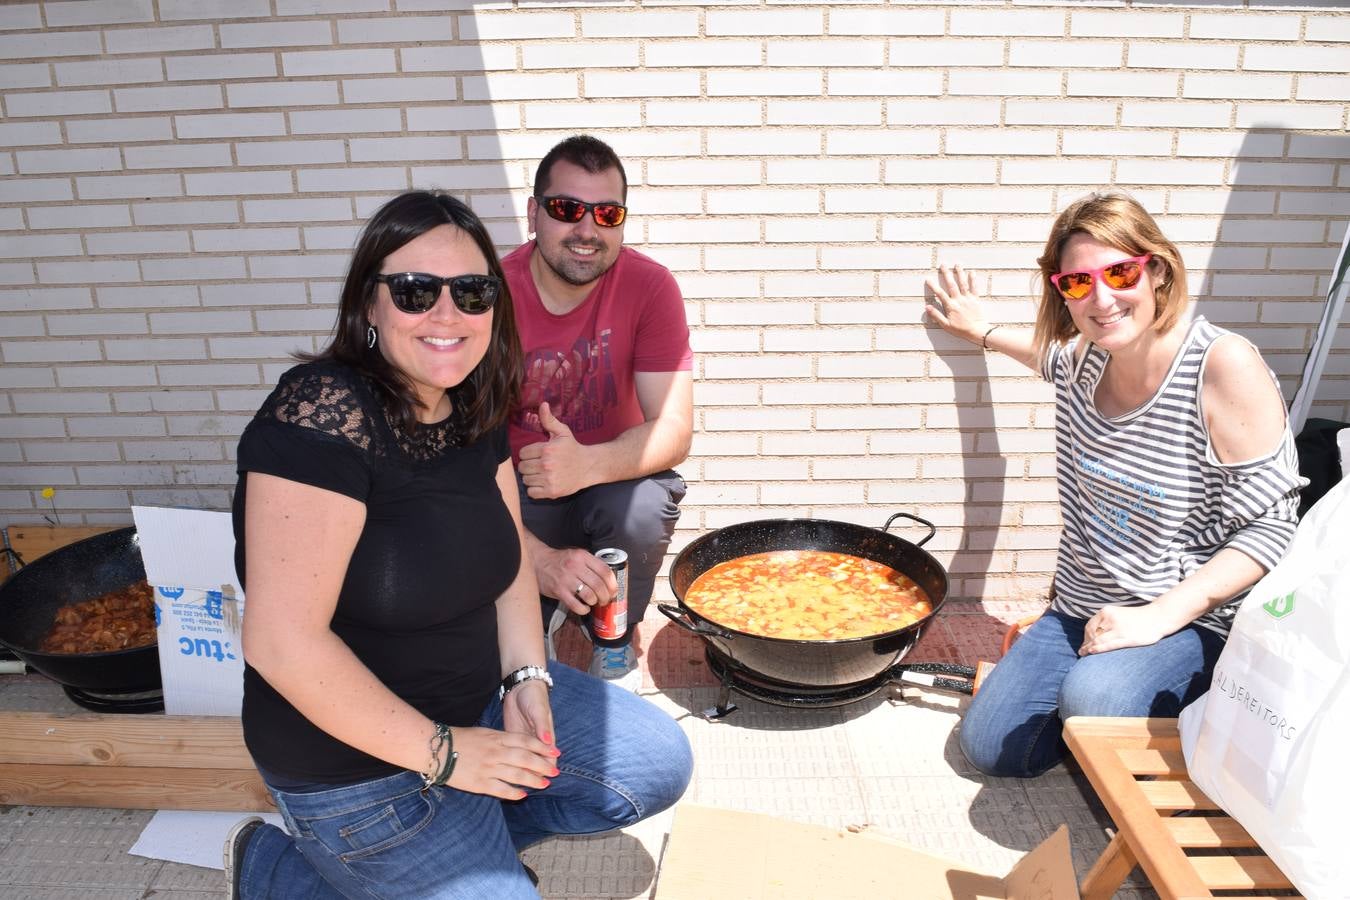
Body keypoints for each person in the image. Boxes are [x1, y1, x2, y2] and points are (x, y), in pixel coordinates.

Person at [223, 191, 693, 899]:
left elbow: (508, 571)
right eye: (415, 292)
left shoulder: (473, 405)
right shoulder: (320, 412)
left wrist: (526, 682)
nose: (448, 316)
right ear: (369, 306)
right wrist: (445, 756)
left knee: (656, 764)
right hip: (352, 762)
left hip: (473, 706)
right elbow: (282, 644)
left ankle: (462, 846)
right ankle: (280, 872)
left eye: (472, 293)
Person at [924, 192, 1304, 778]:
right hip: (1081, 607)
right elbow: (1045, 355)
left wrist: (1156, 618)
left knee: (1096, 700)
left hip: (1187, 617)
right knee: (992, 749)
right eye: (1078, 283)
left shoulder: (1221, 366)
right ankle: (1101, 716)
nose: (1101, 299)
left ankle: (1161, 704)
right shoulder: (1084, 361)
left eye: (1120, 272)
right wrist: (983, 331)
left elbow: (1272, 524)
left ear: (1156, 270)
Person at [502, 135, 694, 686]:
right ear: (535, 214)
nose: (587, 230)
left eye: (607, 214)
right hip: (517, 486)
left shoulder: (650, 286)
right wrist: (535, 556)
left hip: (605, 479)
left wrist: (585, 465)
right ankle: (529, 621)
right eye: (567, 209)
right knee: (502, 639)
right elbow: (457, 454)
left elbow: (674, 429)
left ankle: (613, 634)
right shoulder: (489, 294)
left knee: (644, 503)